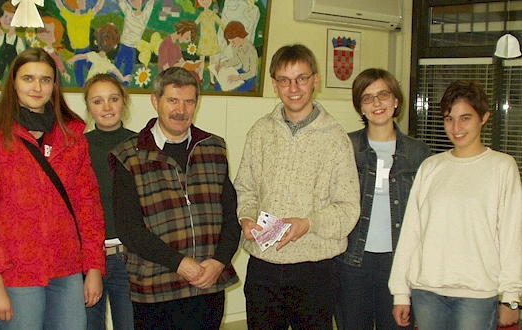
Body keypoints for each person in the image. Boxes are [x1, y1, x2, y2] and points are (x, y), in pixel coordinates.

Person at [0, 47, 105, 330]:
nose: (37, 87)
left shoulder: (72, 137)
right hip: (15, 273)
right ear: (13, 82)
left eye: (45, 80)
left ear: (54, 85)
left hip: (68, 269)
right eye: (28, 78)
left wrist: (93, 268)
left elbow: (88, 207)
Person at [233, 43, 361, 330]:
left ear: (315, 81)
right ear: (274, 84)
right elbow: (245, 187)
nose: (293, 88)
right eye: (284, 80)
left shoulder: (336, 139)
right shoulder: (260, 132)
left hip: (314, 268)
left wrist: (308, 223)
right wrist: (246, 217)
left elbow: (349, 208)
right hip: (263, 267)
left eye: (301, 78)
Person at [110, 67, 240, 329]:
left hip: (208, 283)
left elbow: (231, 214)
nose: (181, 110)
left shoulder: (214, 148)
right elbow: (129, 229)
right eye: (172, 100)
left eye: (189, 101)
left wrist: (219, 262)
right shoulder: (129, 155)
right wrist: (179, 263)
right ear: (155, 100)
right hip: (155, 288)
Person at [388, 80, 522, 330]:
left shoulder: (502, 167)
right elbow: (411, 233)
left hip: (477, 296)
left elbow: (512, 237)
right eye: (449, 119)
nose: (456, 127)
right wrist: (400, 293)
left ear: (484, 118)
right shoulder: (431, 167)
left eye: (465, 118)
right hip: (426, 292)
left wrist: (511, 298)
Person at [334, 68, 431, 330]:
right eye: (367, 98)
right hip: (352, 261)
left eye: (383, 95)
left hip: (399, 263)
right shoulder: (345, 146)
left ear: (396, 100)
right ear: (360, 108)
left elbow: (427, 214)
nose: (377, 103)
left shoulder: (418, 152)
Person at [84, 73, 136, 330]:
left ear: (123, 102)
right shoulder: (78, 147)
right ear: (88, 106)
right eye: (98, 101)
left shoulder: (142, 144)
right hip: (88, 261)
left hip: (131, 259)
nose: (106, 107)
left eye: (113, 99)